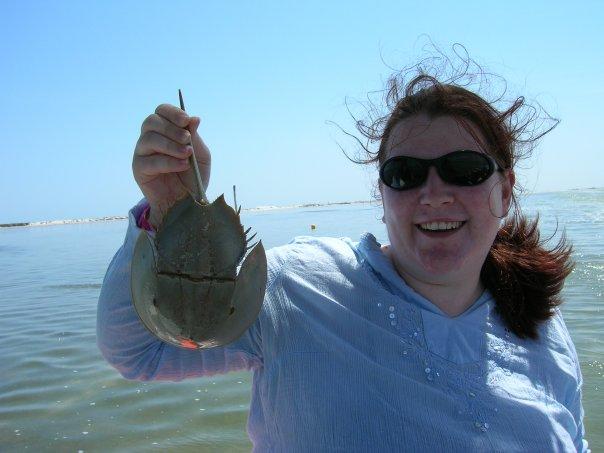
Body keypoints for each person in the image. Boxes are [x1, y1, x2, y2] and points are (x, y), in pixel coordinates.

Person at [97, 68, 589, 451]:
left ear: (505, 191)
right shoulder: (300, 286)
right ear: (382, 193)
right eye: (406, 174)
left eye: (465, 170)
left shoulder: (542, 328)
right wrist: (169, 210)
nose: (435, 193)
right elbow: (142, 352)